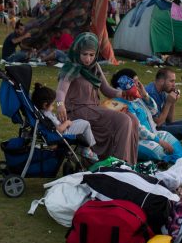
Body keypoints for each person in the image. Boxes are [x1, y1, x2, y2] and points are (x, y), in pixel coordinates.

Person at [54, 33, 139, 163]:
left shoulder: (94, 67)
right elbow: (61, 90)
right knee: (123, 120)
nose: (88, 59)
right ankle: (118, 164)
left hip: (94, 110)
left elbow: (107, 90)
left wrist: (124, 94)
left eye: (92, 55)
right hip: (78, 110)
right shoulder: (71, 67)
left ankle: (130, 164)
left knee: (133, 119)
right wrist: (60, 104)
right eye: (84, 54)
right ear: (77, 51)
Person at [110, 69, 182, 162]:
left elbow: (154, 111)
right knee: (158, 149)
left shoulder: (136, 98)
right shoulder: (118, 103)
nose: (138, 85)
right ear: (125, 85)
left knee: (170, 138)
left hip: (152, 134)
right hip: (135, 141)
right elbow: (138, 129)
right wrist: (159, 141)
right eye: (135, 82)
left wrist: (145, 95)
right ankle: (173, 162)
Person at [32, 83, 97, 162]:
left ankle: (83, 148)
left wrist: (63, 122)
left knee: (80, 122)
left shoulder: (41, 113)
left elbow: (54, 126)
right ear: (45, 105)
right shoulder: (47, 115)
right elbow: (58, 130)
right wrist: (66, 123)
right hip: (64, 133)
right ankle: (87, 148)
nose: (54, 107)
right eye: (52, 104)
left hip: (61, 130)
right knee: (86, 124)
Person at [144, 68, 182, 138]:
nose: (174, 85)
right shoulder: (151, 94)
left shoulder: (161, 90)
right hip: (154, 130)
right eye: (171, 81)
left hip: (162, 125)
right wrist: (168, 102)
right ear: (162, 81)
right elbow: (158, 124)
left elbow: (170, 120)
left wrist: (173, 101)